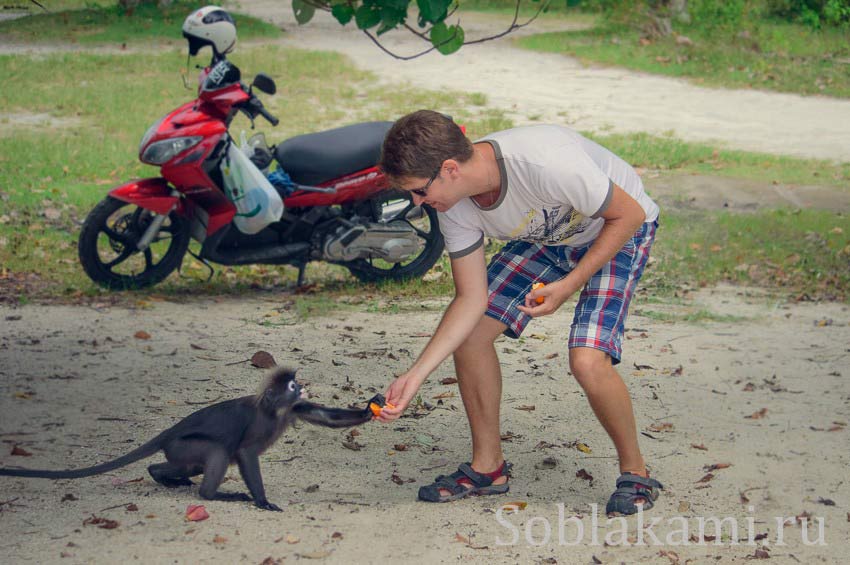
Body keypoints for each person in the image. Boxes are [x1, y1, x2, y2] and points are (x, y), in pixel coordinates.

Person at [375, 110, 663, 515]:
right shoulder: (453, 205)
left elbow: (628, 213)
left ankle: (636, 473)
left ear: (450, 169)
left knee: (587, 360)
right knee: (472, 336)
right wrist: (415, 375)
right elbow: (469, 299)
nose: (418, 204)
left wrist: (570, 283)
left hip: (616, 226)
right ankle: (487, 467)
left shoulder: (545, 161)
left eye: (419, 192)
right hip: (548, 233)